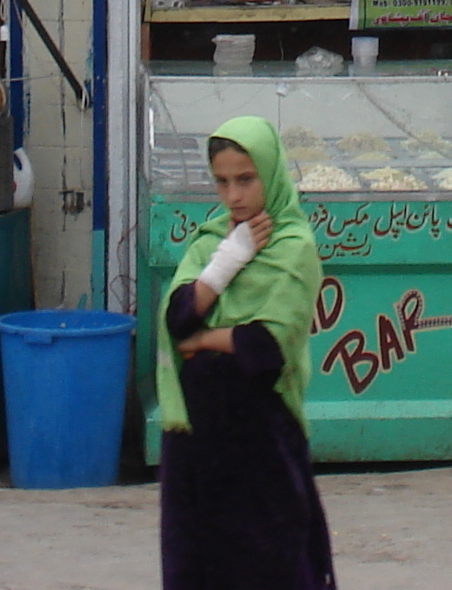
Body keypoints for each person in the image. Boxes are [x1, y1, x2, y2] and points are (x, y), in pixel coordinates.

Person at [157, 116, 334, 590]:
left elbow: (268, 347)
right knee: (196, 566)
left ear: (271, 175)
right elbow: (177, 319)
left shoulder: (294, 249)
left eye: (246, 180)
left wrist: (204, 339)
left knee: (267, 566)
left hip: (262, 440)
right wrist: (228, 260)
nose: (234, 196)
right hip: (195, 439)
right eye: (222, 182)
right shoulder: (212, 242)